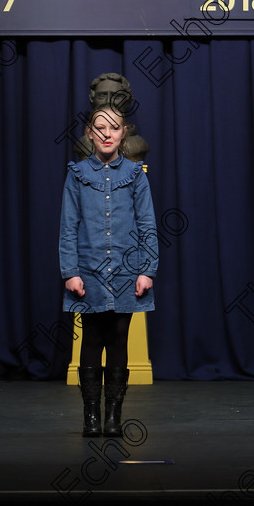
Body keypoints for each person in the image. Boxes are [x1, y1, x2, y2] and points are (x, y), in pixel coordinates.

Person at [59, 105, 158, 437]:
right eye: (100, 128)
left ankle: (113, 417)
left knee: (118, 339)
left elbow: (147, 225)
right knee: (91, 338)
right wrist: (70, 271)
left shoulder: (134, 175)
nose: (106, 134)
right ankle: (90, 418)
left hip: (127, 272)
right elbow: (68, 227)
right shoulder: (76, 174)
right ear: (90, 132)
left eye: (113, 128)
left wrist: (148, 269)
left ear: (123, 133)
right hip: (87, 271)